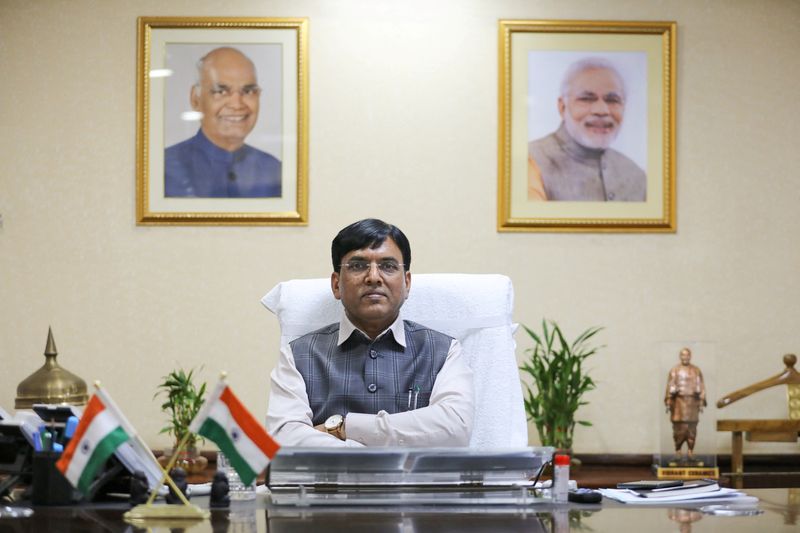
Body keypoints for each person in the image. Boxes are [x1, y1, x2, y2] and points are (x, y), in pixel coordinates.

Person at [266, 219, 474, 447]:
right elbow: (283, 438)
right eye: (357, 265)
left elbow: (456, 429)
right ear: (336, 285)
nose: (374, 277)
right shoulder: (298, 355)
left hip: (415, 484)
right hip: (332, 484)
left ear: (407, 283)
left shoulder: (443, 350)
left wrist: (343, 428)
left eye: (388, 266)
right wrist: (378, 449)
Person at [165, 47, 281, 198]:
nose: (237, 104)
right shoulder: (164, 170)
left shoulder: (275, 171)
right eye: (221, 91)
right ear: (195, 99)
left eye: (248, 91)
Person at [528, 57, 646, 202]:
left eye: (612, 100)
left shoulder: (636, 175)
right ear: (562, 107)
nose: (602, 110)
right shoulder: (531, 161)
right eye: (586, 99)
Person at [664, 348, 706, 461]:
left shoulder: (696, 370)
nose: (685, 357)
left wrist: (701, 401)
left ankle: (690, 451)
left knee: (692, 428)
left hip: (692, 403)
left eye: (687, 355)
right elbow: (670, 387)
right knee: (679, 428)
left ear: (690, 356)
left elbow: (701, 386)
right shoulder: (675, 370)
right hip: (679, 402)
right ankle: (678, 451)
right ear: (680, 356)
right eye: (683, 355)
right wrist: (668, 401)